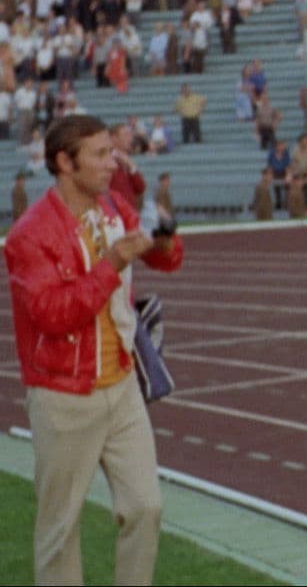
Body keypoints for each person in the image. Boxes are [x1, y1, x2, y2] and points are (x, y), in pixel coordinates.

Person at [4, 114, 184, 584]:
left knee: (146, 507)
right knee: (59, 531)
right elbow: (52, 314)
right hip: (64, 394)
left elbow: (168, 259)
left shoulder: (113, 207)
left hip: (121, 384)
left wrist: (162, 237)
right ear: (65, 162)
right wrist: (112, 263)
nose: (113, 163)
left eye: (112, 152)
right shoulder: (30, 234)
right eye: (101, 154)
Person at [108, 124, 146, 209]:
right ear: (114, 138)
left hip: (129, 212)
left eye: (130, 135)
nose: (130, 138)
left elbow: (140, 187)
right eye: (126, 135)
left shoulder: (127, 161)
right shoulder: (108, 160)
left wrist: (131, 166)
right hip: (116, 212)